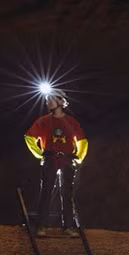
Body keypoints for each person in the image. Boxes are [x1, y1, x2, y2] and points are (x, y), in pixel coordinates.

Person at [24, 89, 88, 236]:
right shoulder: (44, 121)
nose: (48, 103)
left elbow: (83, 141)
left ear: (60, 102)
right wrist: (40, 155)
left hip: (67, 159)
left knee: (67, 193)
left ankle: (68, 227)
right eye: (47, 100)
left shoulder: (71, 122)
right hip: (50, 159)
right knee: (46, 191)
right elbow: (29, 137)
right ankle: (42, 226)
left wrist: (78, 157)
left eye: (51, 99)